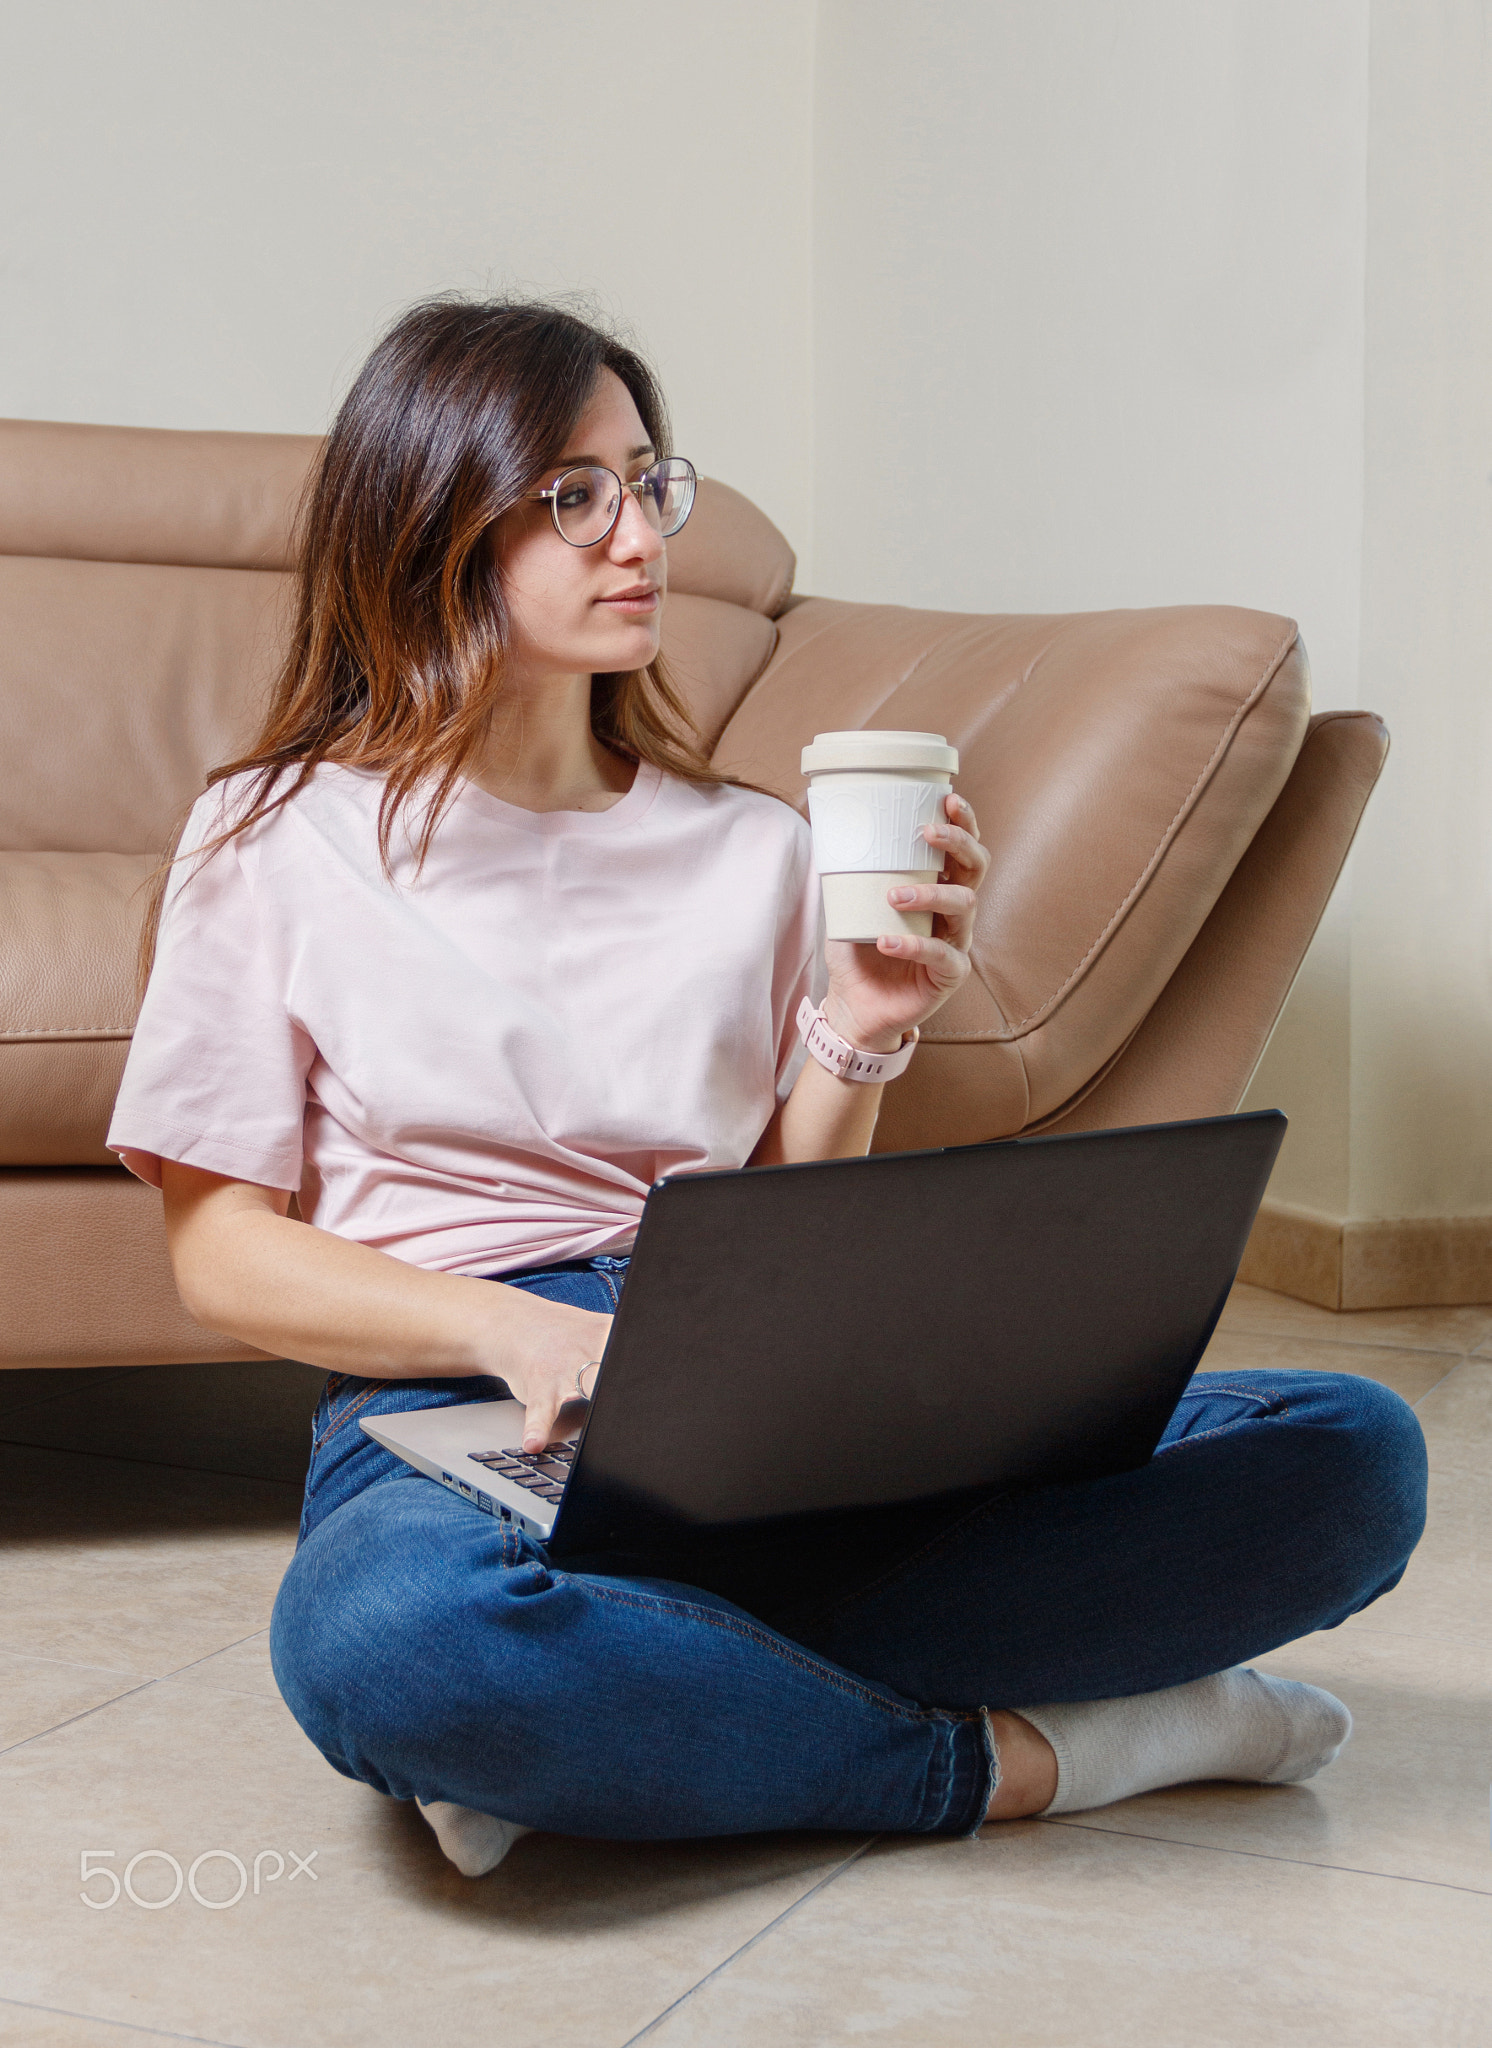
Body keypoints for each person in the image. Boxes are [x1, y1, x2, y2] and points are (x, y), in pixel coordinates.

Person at [108, 297, 1427, 1878]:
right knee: (399, 1643)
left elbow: (788, 1217)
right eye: (573, 496)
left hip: (742, 1378)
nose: (640, 536)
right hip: (452, 1393)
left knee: (1350, 1454)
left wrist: (863, 1018)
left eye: (648, 483)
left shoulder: (755, 850)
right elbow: (220, 1250)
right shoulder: (275, 836)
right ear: (436, 528)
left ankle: (630, 1708)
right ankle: (1031, 1754)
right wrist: (517, 1329)